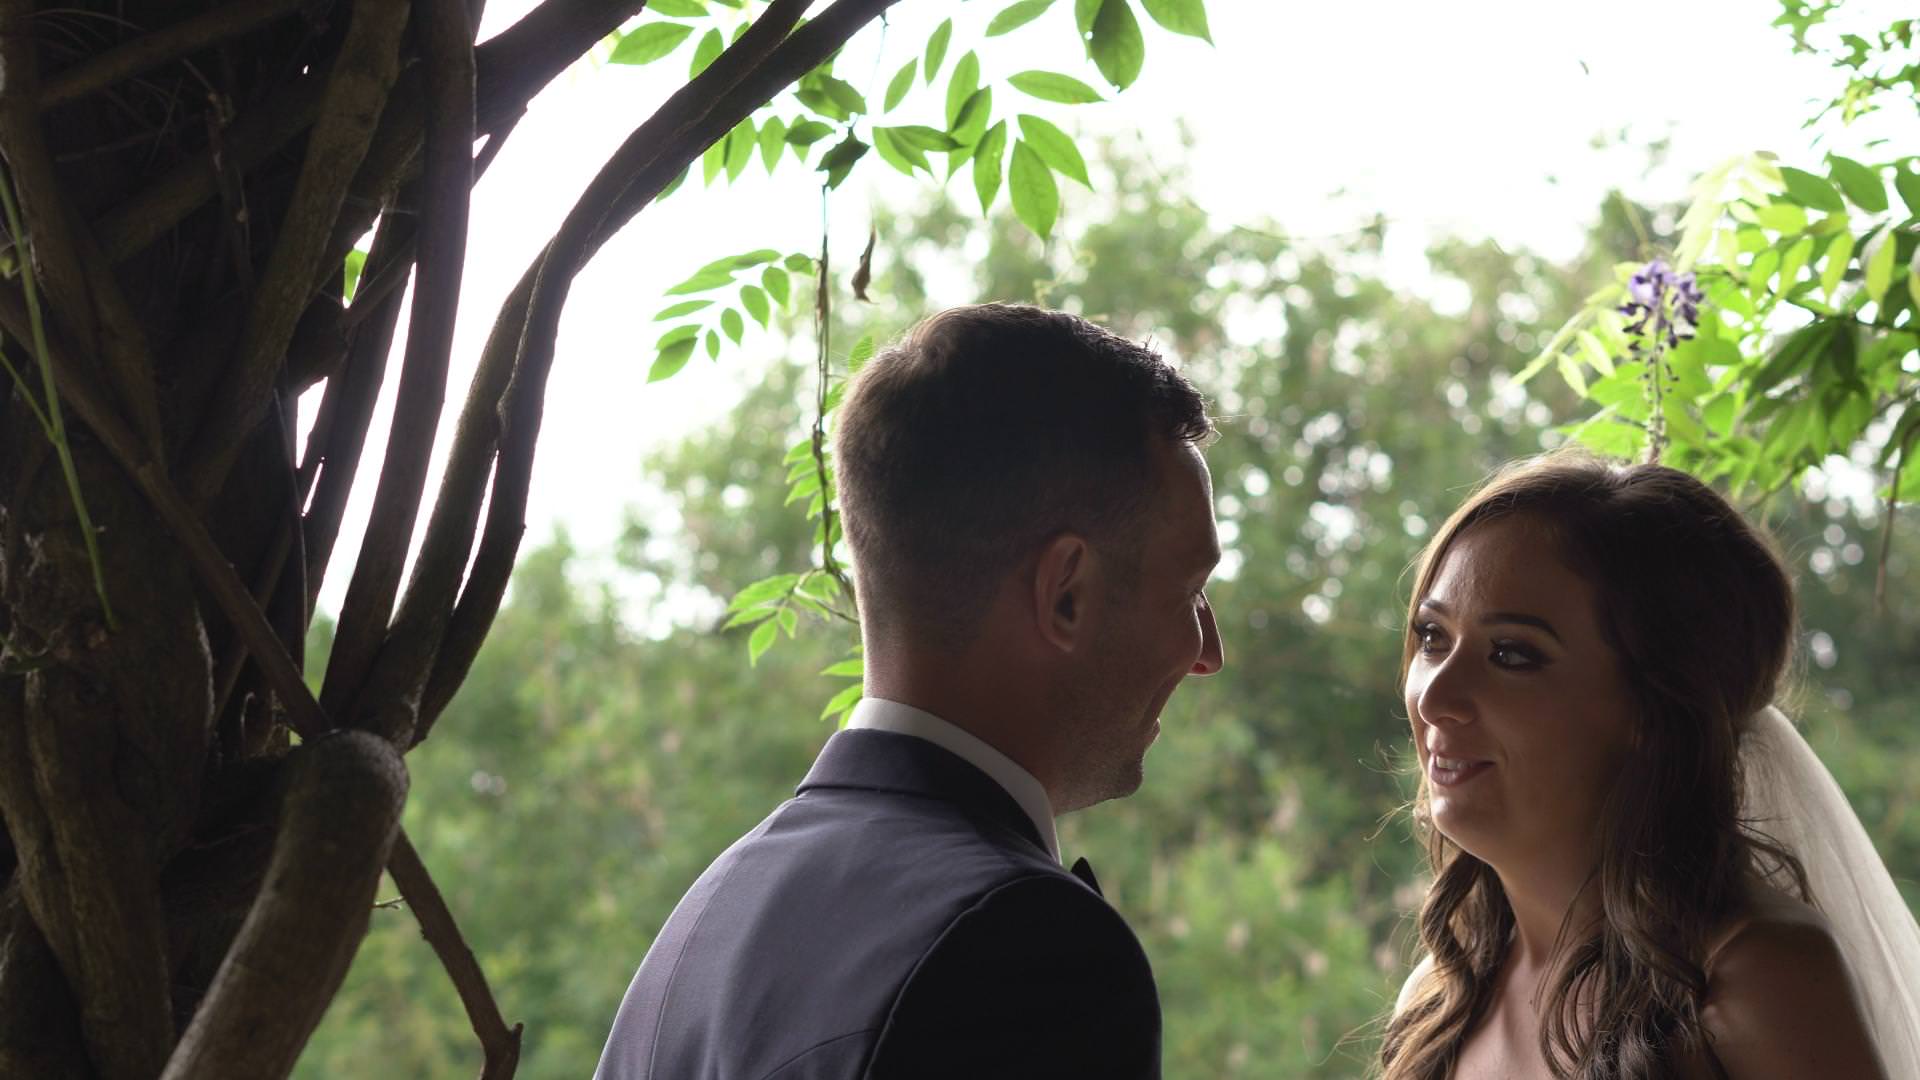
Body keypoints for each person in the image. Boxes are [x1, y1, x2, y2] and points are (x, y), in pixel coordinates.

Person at [593, 303, 1225, 1079]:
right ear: (1066, 594)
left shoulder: (706, 923)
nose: (1209, 654)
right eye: (1189, 592)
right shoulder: (1031, 955)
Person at [1381, 451, 1918, 1079]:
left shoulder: (1754, 981)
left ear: (1653, 706)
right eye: (1431, 637)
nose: (1436, 698)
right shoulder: (1437, 1003)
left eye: (1511, 654)